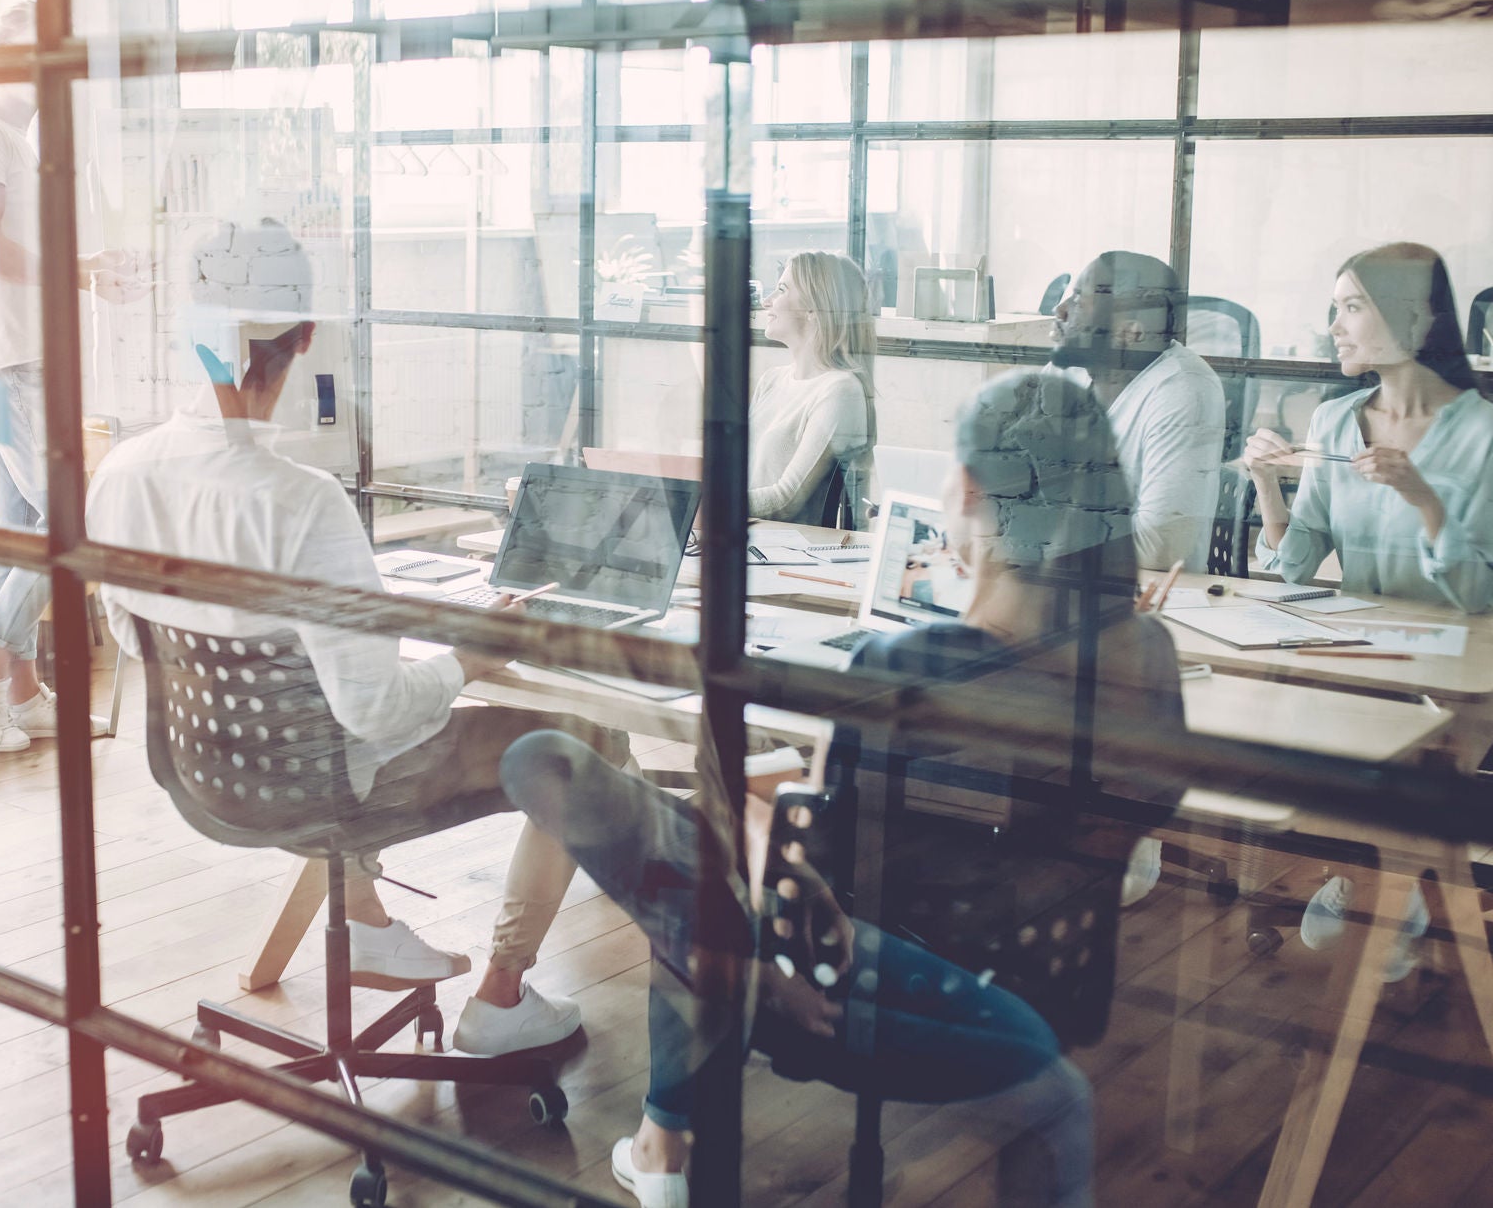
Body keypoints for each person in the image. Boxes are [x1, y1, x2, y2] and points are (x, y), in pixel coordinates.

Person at [501, 370, 1188, 1208]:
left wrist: (748, 819)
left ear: (965, 490)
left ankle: (661, 1147)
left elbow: (812, 876)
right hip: (1027, 991)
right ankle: (659, 1142)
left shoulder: (906, 668)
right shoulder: (1144, 654)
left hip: (834, 995)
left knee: (567, 774)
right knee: (710, 850)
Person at [88, 217, 636, 1056]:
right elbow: (376, 711)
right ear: (306, 337)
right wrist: (468, 657)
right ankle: (499, 995)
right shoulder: (303, 501)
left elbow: (135, 639)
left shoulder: (122, 471)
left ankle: (367, 917)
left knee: (335, 722)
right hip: (321, 784)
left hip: (205, 775)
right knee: (585, 739)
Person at [1243, 242, 1493, 966]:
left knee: (1387, 767)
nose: (1335, 325)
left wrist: (1421, 496)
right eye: (1334, 308)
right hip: (1359, 658)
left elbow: (1477, 594)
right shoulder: (1334, 420)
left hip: (1458, 673)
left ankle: (1388, 872)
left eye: (1352, 306)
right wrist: (1268, 486)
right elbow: (1293, 564)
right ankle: (1377, 866)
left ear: (1415, 320)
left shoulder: (1481, 434)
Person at [0, 2, 131, 753]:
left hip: (9, 360)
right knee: (66, 527)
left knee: (20, 530)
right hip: (4, 362)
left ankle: (19, 689)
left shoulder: (13, 140)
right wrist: (83, 275)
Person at [1050, 251, 1226, 571]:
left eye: (1079, 299)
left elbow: (1158, 548)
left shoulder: (1183, 390)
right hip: (1056, 581)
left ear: (1129, 332)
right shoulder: (1065, 372)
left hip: (1144, 598)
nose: (1060, 310)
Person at [749, 251, 875, 524]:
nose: (767, 300)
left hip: (782, 552)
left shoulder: (840, 390)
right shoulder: (771, 380)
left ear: (814, 310)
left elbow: (786, 500)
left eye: (781, 289)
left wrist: (709, 501)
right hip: (740, 536)